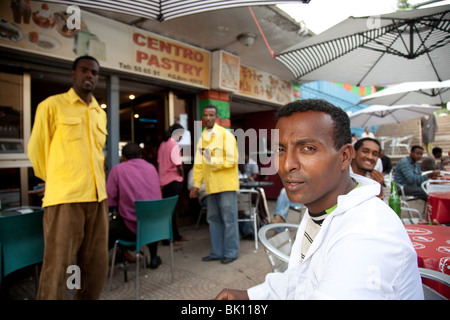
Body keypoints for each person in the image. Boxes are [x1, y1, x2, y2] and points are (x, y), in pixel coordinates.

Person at [215, 99, 423, 300]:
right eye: (280, 149)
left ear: (344, 157)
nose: (287, 164)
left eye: (308, 148)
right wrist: (251, 295)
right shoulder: (324, 207)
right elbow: (303, 278)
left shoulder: (366, 235)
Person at [28, 55, 109, 300]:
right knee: (58, 269)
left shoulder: (98, 112)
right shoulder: (51, 106)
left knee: (95, 267)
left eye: (94, 72)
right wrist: (58, 180)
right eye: (84, 70)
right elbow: (37, 152)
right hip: (65, 198)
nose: (89, 76)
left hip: (98, 198)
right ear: (73, 74)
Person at [189, 105, 240, 264]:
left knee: (229, 220)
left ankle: (231, 252)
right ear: (202, 118)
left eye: (211, 115)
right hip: (211, 187)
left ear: (216, 117)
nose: (208, 118)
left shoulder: (226, 135)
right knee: (213, 219)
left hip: (225, 185)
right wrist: (196, 185)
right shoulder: (202, 138)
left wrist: (212, 161)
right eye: (205, 115)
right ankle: (217, 252)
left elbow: (233, 159)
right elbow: (198, 164)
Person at [106, 142, 163, 269]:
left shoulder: (118, 170)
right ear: (141, 156)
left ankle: (98, 263)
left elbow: (110, 199)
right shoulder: (151, 168)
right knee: (146, 216)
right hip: (156, 228)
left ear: (123, 158)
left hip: (132, 230)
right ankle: (153, 257)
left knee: (109, 228)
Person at [157, 123, 187, 246]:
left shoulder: (162, 145)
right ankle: (172, 238)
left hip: (164, 182)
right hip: (173, 181)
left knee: (168, 211)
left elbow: (159, 163)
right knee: (172, 212)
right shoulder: (173, 145)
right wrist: (182, 176)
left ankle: (173, 236)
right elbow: (178, 165)